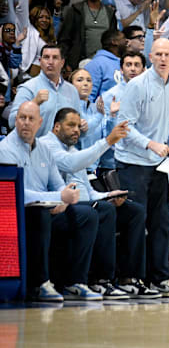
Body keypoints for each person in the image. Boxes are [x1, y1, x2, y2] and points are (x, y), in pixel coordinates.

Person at [40, 107, 154, 299]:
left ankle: (129, 278)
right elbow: (70, 164)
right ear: (57, 126)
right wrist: (108, 141)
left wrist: (109, 194)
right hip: (58, 208)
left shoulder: (73, 149)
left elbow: (89, 191)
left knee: (134, 211)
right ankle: (99, 280)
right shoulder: (46, 145)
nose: (76, 130)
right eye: (71, 125)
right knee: (103, 210)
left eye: (78, 125)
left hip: (84, 204)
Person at [114, 38, 169, 297]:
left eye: (167, 54)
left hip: (159, 164)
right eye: (157, 54)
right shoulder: (137, 86)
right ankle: (130, 278)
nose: (162, 58)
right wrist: (151, 145)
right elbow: (124, 126)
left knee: (161, 222)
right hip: (132, 163)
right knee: (136, 223)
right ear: (150, 56)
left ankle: (160, 278)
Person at [0, 101, 97, 301]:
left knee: (87, 215)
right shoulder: (5, 149)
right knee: (39, 214)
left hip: (46, 208)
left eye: (31, 119)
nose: (26, 123)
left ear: (40, 123)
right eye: (22, 118)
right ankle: (40, 284)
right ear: (15, 120)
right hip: (16, 215)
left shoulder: (44, 149)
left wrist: (65, 196)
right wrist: (56, 198)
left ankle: (75, 282)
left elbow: (58, 183)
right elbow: (20, 194)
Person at [9, 45, 82, 137]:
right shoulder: (28, 88)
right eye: (46, 57)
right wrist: (34, 103)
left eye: (55, 58)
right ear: (40, 61)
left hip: (65, 148)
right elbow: (12, 122)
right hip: (34, 148)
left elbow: (78, 121)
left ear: (62, 62)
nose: (50, 62)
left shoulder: (72, 90)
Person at [97, 51, 145, 174]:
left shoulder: (151, 94)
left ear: (144, 69)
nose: (133, 69)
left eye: (137, 65)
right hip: (115, 162)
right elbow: (104, 135)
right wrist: (113, 116)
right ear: (121, 70)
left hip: (144, 158)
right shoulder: (109, 96)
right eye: (128, 65)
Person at [58, 0, 118, 69]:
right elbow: (64, 38)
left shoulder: (109, 12)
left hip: (104, 62)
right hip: (79, 62)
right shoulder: (76, 10)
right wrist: (65, 62)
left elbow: (114, 39)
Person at [17, 0, 57, 77]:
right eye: (41, 17)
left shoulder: (51, 37)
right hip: (28, 79)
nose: (45, 20)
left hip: (48, 81)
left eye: (47, 17)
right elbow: (21, 9)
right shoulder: (28, 30)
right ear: (34, 18)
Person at [85, 30, 127, 101]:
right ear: (114, 42)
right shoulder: (96, 64)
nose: (127, 41)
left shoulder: (125, 63)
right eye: (123, 38)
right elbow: (88, 97)